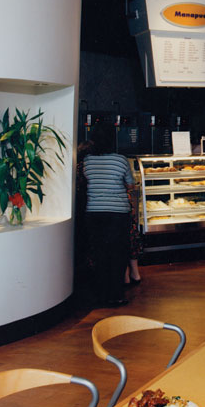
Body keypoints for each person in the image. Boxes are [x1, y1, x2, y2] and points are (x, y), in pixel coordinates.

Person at [83, 120, 135, 307]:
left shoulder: (88, 161)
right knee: (118, 254)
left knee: (100, 254)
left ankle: (101, 295)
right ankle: (116, 295)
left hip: (94, 213)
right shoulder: (120, 160)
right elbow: (130, 184)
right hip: (118, 213)